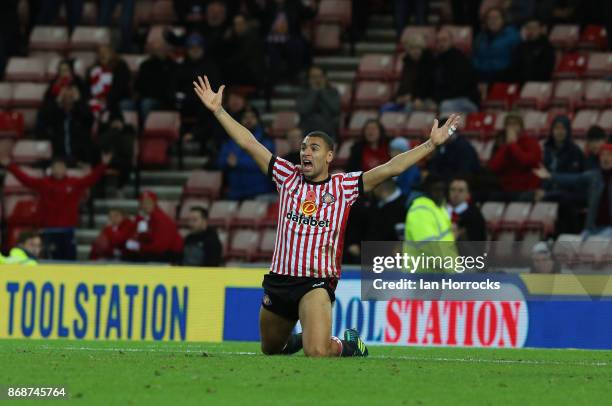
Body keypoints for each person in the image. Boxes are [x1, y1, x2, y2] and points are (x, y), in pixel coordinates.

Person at [193, 74, 461, 357]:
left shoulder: (343, 187)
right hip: (280, 279)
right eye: (303, 148)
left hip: (316, 282)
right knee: (271, 349)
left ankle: (347, 344)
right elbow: (249, 143)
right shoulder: (287, 176)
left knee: (318, 352)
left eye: (314, 148)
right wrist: (219, 111)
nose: (305, 152)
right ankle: (300, 338)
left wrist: (431, 145)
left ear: (330, 157)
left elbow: (390, 168)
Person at [0, 153, 112, 260]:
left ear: (65, 169)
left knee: (70, 260)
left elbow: (91, 179)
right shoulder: (44, 183)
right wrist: (10, 166)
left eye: (61, 167)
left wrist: (103, 165)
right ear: (51, 169)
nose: (59, 170)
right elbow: (25, 179)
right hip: (49, 230)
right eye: (56, 167)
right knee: (49, 259)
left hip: (68, 230)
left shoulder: (74, 183)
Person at [534, 143, 612, 237]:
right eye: (603, 155)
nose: (605, 158)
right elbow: (573, 179)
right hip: (592, 229)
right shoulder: (593, 176)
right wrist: (551, 176)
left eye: (609, 154)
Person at [217, 107, 275, 199]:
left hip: (260, 192)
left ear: (257, 120)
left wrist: (237, 163)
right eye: (245, 117)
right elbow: (220, 161)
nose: (249, 120)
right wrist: (227, 162)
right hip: (235, 193)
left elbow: (264, 162)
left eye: (252, 117)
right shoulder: (231, 140)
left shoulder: (265, 140)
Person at [404, 175, 458, 271]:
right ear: (427, 190)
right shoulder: (420, 210)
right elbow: (429, 247)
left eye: (442, 190)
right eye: (436, 190)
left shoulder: (439, 209)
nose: (440, 194)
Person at [36, 84, 94, 165]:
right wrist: (57, 100)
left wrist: (78, 101)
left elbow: (89, 119)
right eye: (65, 96)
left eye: (71, 97)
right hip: (58, 158)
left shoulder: (80, 114)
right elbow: (43, 120)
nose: (68, 99)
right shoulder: (56, 114)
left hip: (79, 158)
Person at [488, 113, 542, 200]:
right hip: (505, 188)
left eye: (515, 124)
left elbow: (525, 161)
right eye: (509, 124)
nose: (511, 127)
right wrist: (507, 146)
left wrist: (513, 144)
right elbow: (494, 167)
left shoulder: (531, 142)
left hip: (526, 189)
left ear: (521, 127)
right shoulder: (503, 144)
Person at [124, 190, 184, 262]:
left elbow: (160, 247)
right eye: (143, 203)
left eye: (149, 203)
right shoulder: (143, 218)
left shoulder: (160, 218)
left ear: (155, 203)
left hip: (170, 255)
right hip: (158, 252)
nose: (145, 205)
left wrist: (139, 247)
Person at [432, 28, 480, 113]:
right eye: (438, 41)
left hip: (465, 100)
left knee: (445, 106)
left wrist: (439, 99)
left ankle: (448, 127)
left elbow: (460, 86)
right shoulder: (437, 60)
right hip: (446, 99)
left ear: (451, 41)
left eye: (444, 40)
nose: (441, 44)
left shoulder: (460, 59)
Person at [384, 34, 434, 113]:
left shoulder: (428, 64)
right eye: (412, 48)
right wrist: (397, 98)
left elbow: (427, 85)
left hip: (424, 99)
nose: (416, 51)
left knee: (408, 108)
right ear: (408, 50)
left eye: (418, 48)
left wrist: (415, 98)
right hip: (406, 99)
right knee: (385, 108)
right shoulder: (407, 64)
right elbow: (403, 85)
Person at [473, 7, 521, 82]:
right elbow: (475, 56)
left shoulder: (513, 36)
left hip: (503, 76)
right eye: (489, 18)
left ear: (503, 20)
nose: (492, 21)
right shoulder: (480, 36)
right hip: (481, 75)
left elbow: (516, 61)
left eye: (496, 18)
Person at [134, 38, 178, 120]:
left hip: (164, 100)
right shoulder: (145, 65)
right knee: (125, 104)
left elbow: (172, 87)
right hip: (145, 97)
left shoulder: (173, 66)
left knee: (146, 104)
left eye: (161, 48)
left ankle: (144, 130)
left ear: (166, 49)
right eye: (156, 49)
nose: (159, 51)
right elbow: (139, 85)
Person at [222, 13, 266, 89]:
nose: (238, 26)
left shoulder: (251, 37)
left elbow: (241, 57)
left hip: (253, 75)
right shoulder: (238, 37)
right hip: (247, 71)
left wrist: (226, 63)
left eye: (240, 23)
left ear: (246, 24)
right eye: (236, 24)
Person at [296, 66, 341, 140]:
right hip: (307, 130)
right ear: (308, 79)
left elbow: (336, 109)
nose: (317, 79)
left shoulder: (333, 92)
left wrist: (322, 91)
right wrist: (314, 92)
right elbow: (303, 110)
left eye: (320, 76)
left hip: (328, 130)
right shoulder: (303, 93)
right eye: (313, 77)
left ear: (325, 78)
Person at [87, 44, 132, 114]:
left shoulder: (121, 67)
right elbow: (87, 88)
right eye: (100, 53)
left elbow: (120, 88)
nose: (102, 55)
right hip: (96, 98)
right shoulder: (92, 69)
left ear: (112, 54)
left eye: (105, 52)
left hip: (117, 99)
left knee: (121, 105)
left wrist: (106, 99)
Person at [511, 18, 555, 83]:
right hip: (522, 82)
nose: (531, 31)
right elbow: (515, 66)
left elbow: (547, 68)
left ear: (540, 29)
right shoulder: (520, 46)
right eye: (528, 28)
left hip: (540, 83)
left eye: (534, 28)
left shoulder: (547, 47)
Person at [447, 177, 487, 241]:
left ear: (468, 195)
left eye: (461, 190)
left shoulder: (475, 215)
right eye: (453, 189)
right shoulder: (441, 210)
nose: (456, 194)